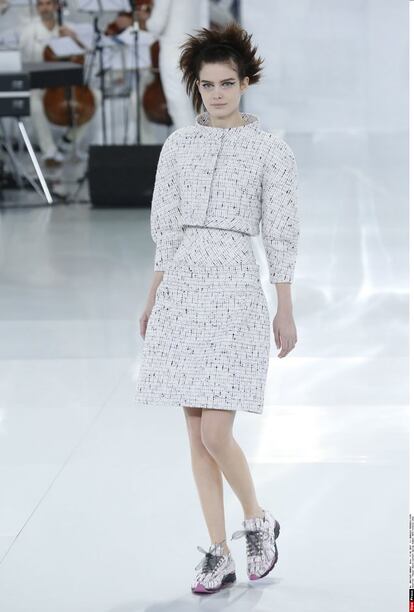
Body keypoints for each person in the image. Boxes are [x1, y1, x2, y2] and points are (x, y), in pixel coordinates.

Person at [135, 22, 300, 594]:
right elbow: (165, 226)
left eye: (227, 83)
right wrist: (154, 296)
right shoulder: (178, 146)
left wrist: (284, 307)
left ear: (246, 82)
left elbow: (281, 232)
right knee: (195, 433)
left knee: (215, 432)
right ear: (196, 86)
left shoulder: (271, 150)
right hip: (183, 289)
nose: (217, 93)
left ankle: (257, 519)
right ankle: (217, 551)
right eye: (207, 84)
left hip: (234, 287)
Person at [19, 0, 101, 167]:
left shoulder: (69, 28)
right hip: (43, 84)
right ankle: (49, 151)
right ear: (37, 8)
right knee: (34, 102)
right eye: (41, 4)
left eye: (48, 4)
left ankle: (68, 141)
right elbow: (23, 61)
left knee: (96, 97)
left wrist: (74, 39)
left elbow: (89, 57)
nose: (45, 8)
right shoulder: (29, 32)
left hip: (71, 83)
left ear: (56, 6)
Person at [136, 0, 209, 130]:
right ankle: (203, 141)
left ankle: (190, 142)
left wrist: (144, 20)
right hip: (197, 52)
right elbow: (204, 21)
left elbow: (157, 25)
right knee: (198, 106)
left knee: (179, 107)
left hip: (174, 53)